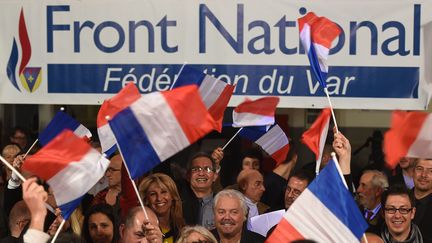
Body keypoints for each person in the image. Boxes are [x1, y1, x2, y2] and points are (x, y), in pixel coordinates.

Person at [139, 173, 185, 242]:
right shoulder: (141, 231)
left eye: (163, 192)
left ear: (172, 196)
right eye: (153, 194)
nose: (159, 198)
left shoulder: (182, 228)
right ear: (146, 200)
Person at [177, 152, 218, 229]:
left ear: (215, 176)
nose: (201, 173)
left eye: (207, 169)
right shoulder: (177, 204)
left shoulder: (222, 203)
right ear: (188, 176)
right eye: (196, 169)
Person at [356, 170, 388, 234]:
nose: (358, 190)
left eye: (364, 185)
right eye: (359, 185)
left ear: (378, 191)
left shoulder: (387, 216)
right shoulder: (355, 210)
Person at [412, 158, 432, 242]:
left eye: (431, 171)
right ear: (412, 172)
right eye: (419, 169)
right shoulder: (397, 199)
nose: (424, 175)